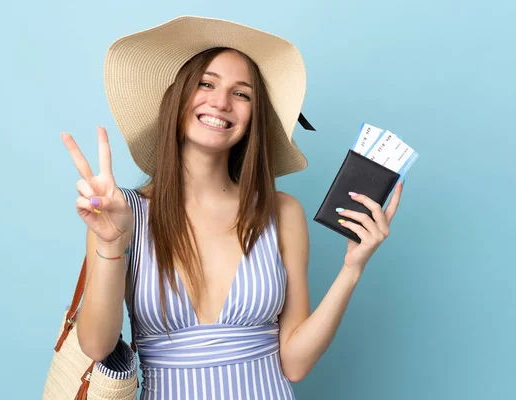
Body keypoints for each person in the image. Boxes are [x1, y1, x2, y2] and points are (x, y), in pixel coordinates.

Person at [60, 16, 403, 400]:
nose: (220, 102)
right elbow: (96, 345)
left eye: (242, 94)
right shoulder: (122, 213)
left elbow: (295, 363)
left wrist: (352, 269)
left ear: (254, 116)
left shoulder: (282, 212)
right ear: (179, 98)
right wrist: (109, 245)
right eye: (206, 84)